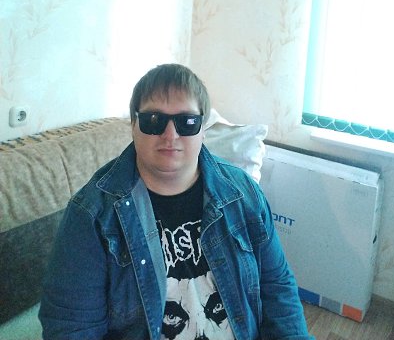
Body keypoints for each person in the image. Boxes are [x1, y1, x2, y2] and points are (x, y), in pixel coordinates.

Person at [39, 63, 314, 340]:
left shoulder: (243, 194)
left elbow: (277, 286)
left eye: (187, 122)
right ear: (134, 126)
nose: (170, 135)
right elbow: (72, 327)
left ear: (203, 129)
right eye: (154, 120)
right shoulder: (91, 215)